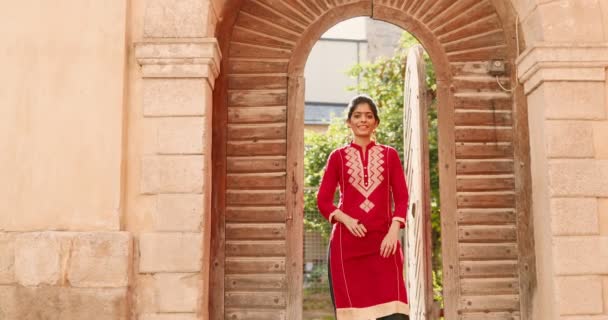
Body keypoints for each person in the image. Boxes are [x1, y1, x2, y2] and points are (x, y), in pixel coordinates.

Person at [317, 94, 410, 320]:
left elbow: (403, 198)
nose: (363, 120)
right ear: (348, 122)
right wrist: (347, 220)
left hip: (383, 245)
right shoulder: (337, 157)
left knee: (395, 313)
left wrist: (394, 232)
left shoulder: (389, 155)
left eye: (369, 116)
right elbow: (323, 201)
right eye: (357, 116)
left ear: (376, 122)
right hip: (347, 247)